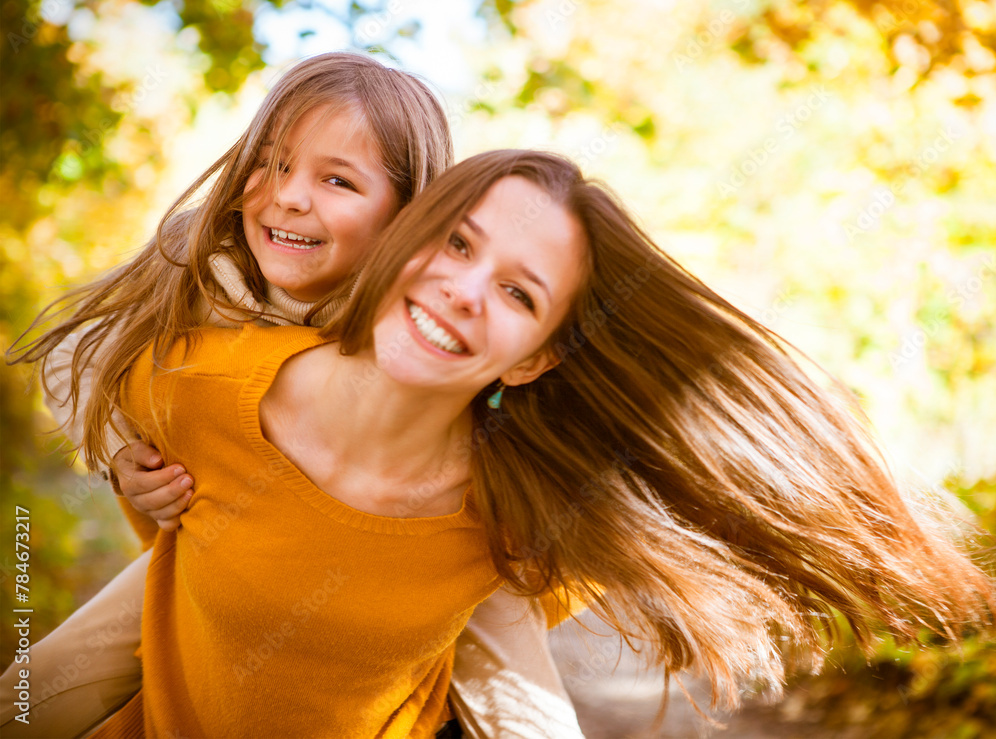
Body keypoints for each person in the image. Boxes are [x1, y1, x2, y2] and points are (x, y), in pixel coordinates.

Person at [83, 150, 996, 735]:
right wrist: (122, 458)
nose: (463, 291)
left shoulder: (524, 510)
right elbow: (105, 399)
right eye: (454, 244)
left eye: (519, 294)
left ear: (532, 361)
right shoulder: (199, 379)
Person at [2, 56, 583, 739]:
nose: (289, 196)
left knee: (506, 657)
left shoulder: (403, 305)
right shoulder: (202, 260)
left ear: (407, 217)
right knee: (48, 681)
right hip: (222, 526)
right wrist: (120, 452)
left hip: (415, 526)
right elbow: (79, 350)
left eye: (336, 180)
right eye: (272, 164)